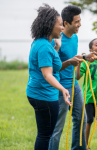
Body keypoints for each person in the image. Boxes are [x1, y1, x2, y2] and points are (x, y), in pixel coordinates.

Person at [49, 5, 95, 150]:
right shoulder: (56, 41)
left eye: (80, 21)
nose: (79, 24)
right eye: (76, 22)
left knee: (81, 120)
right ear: (66, 23)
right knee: (57, 127)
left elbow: (72, 57)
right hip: (60, 88)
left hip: (74, 85)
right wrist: (69, 62)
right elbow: (52, 67)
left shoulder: (74, 37)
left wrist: (84, 57)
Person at [26, 4, 71, 150]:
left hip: (36, 92)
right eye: (60, 25)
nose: (62, 28)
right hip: (44, 96)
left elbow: (48, 62)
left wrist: (56, 47)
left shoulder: (42, 43)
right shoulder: (45, 47)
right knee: (45, 135)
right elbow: (47, 74)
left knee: (44, 134)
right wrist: (63, 89)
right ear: (50, 25)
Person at [76, 38, 97, 150]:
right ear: (91, 49)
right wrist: (78, 65)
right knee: (88, 121)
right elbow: (78, 77)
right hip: (88, 97)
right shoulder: (86, 62)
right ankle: (86, 145)